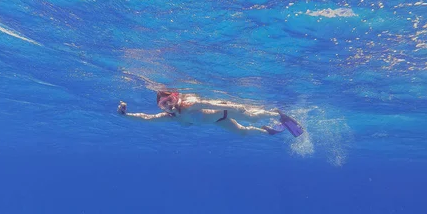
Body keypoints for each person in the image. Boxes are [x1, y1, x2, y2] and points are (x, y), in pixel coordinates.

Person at [117, 90, 303, 137]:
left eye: (170, 100)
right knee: (243, 133)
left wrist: (237, 108)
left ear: (177, 97)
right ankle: (268, 131)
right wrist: (126, 115)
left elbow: (210, 103)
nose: (169, 106)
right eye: (164, 105)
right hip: (218, 120)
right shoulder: (171, 116)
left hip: (223, 109)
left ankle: (276, 113)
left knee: (251, 116)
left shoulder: (191, 104)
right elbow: (147, 118)